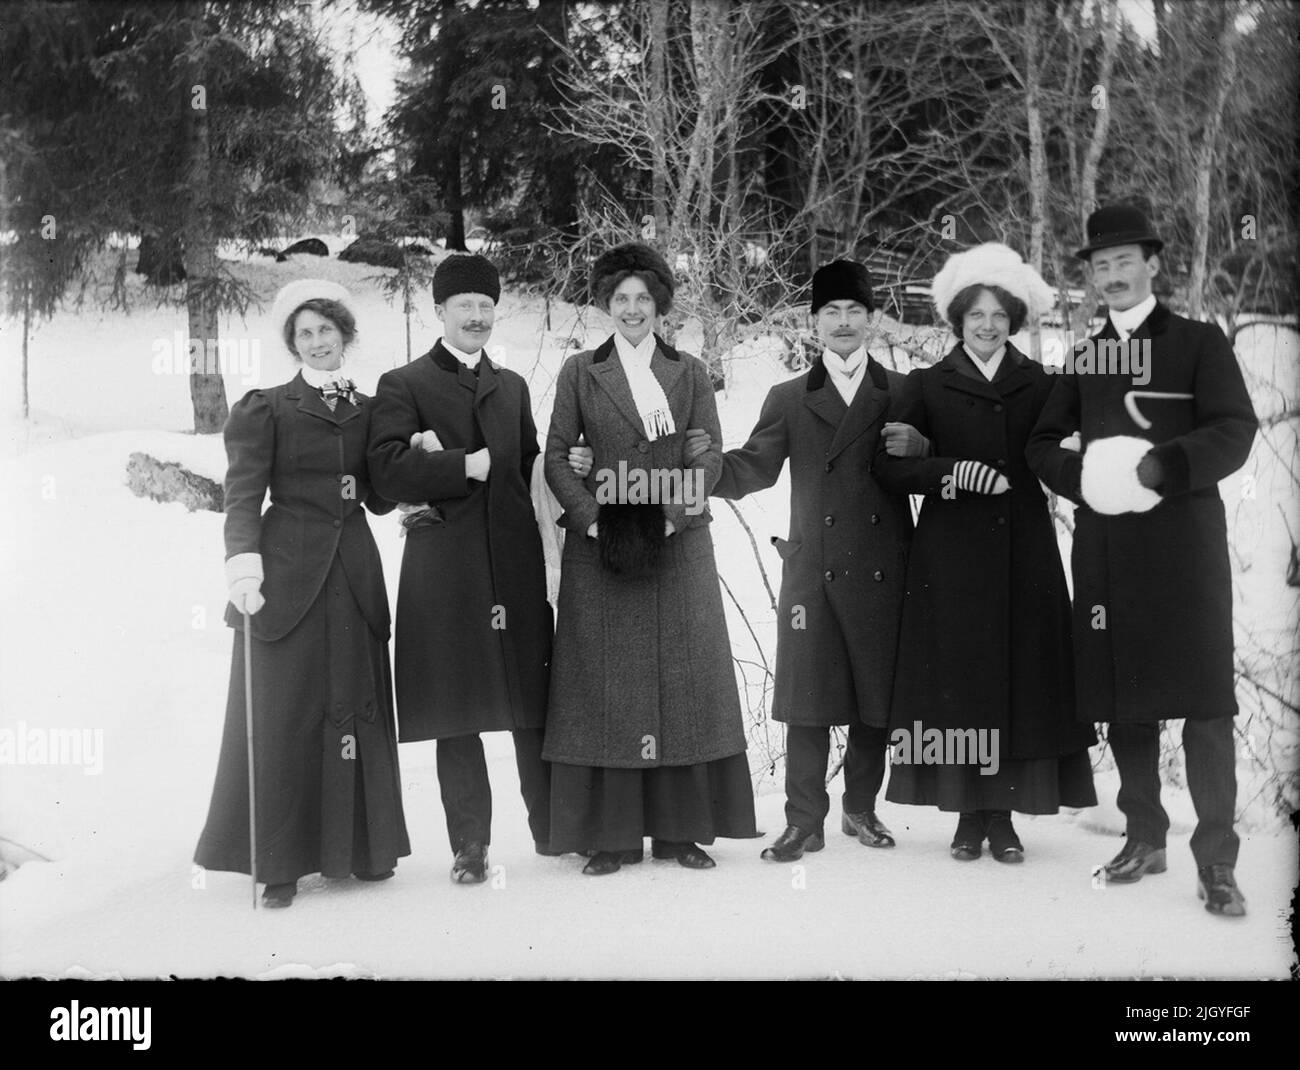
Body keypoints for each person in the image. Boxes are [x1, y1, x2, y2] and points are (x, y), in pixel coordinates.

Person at [1028, 205, 1257, 915]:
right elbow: (1041, 443)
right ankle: (1144, 837)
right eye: (1100, 267)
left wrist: (1163, 466)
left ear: (1153, 264)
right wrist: (1083, 480)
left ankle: (1217, 860)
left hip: (1184, 552)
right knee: (1127, 703)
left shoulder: (1198, 341)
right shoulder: (1086, 353)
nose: (1113, 275)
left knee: (1205, 705)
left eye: (1125, 261)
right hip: (1108, 554)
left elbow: (1235, 430)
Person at [681, 260, 930, 862]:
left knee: (877, 697)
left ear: (872, 320)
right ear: (813, 322)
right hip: (813, 569)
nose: (842, 323)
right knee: (809, 700)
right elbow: (755, 467)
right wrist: (709, 465)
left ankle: (861, 809)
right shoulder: (790, 396)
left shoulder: (904, 391)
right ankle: (803, 821)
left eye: (854, 312)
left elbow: (927, 470)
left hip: (884, 565)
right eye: (830, 313)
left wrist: (924, 447)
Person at [874, 243, 1098, 863]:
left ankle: (1002, 816)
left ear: (1015, 321)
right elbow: (888, 469)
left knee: (1017, 679)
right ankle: (967, 816)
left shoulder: (1042, 383)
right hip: (949, 558)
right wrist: (949, 470)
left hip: (1024, 553)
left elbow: (1056, 451)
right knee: (959, 681)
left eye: (1000, 314)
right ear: (957, 320)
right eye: (976, 314)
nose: (987, 325)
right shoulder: (926, 383)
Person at [543, 241, 758, 875]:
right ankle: (610, 838)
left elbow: (710, 455)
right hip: (603, 551)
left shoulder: (689, 371)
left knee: (682, 684)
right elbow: (557, 455)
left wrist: (670, 518)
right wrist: (591, 523)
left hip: (677, 546)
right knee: (606, 688)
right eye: (620, 299)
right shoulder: (581, 371)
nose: (632, 309)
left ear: (659, 304)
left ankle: (678, 832)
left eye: (642, 298)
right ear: (606, 305)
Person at [195, 279, 410, 909]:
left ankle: (365, 851)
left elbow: (377, 495)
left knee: (354, 703)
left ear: (345, 334)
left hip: (354, 571)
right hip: (285, 576)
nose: (318, 342)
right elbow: (242, 495)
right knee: (286, 714)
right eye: (305, 334)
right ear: (293, 344)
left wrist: (411, 461)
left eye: (326, 330)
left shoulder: (371, 409)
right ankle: (281, 865)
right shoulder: (267, 408)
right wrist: (244, 568)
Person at [367, 254, 553, 884]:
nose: (476, 316)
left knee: (532, 703)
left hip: (514, 566)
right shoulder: (404, 384)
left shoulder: (514, 386)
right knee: (458, 710)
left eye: (485, 305)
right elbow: (386, 472)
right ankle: (469, 845)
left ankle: (554, 832)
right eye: (463, 305)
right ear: (439, 311)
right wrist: (456, 468)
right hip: (445, 571)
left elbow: (530, 467)